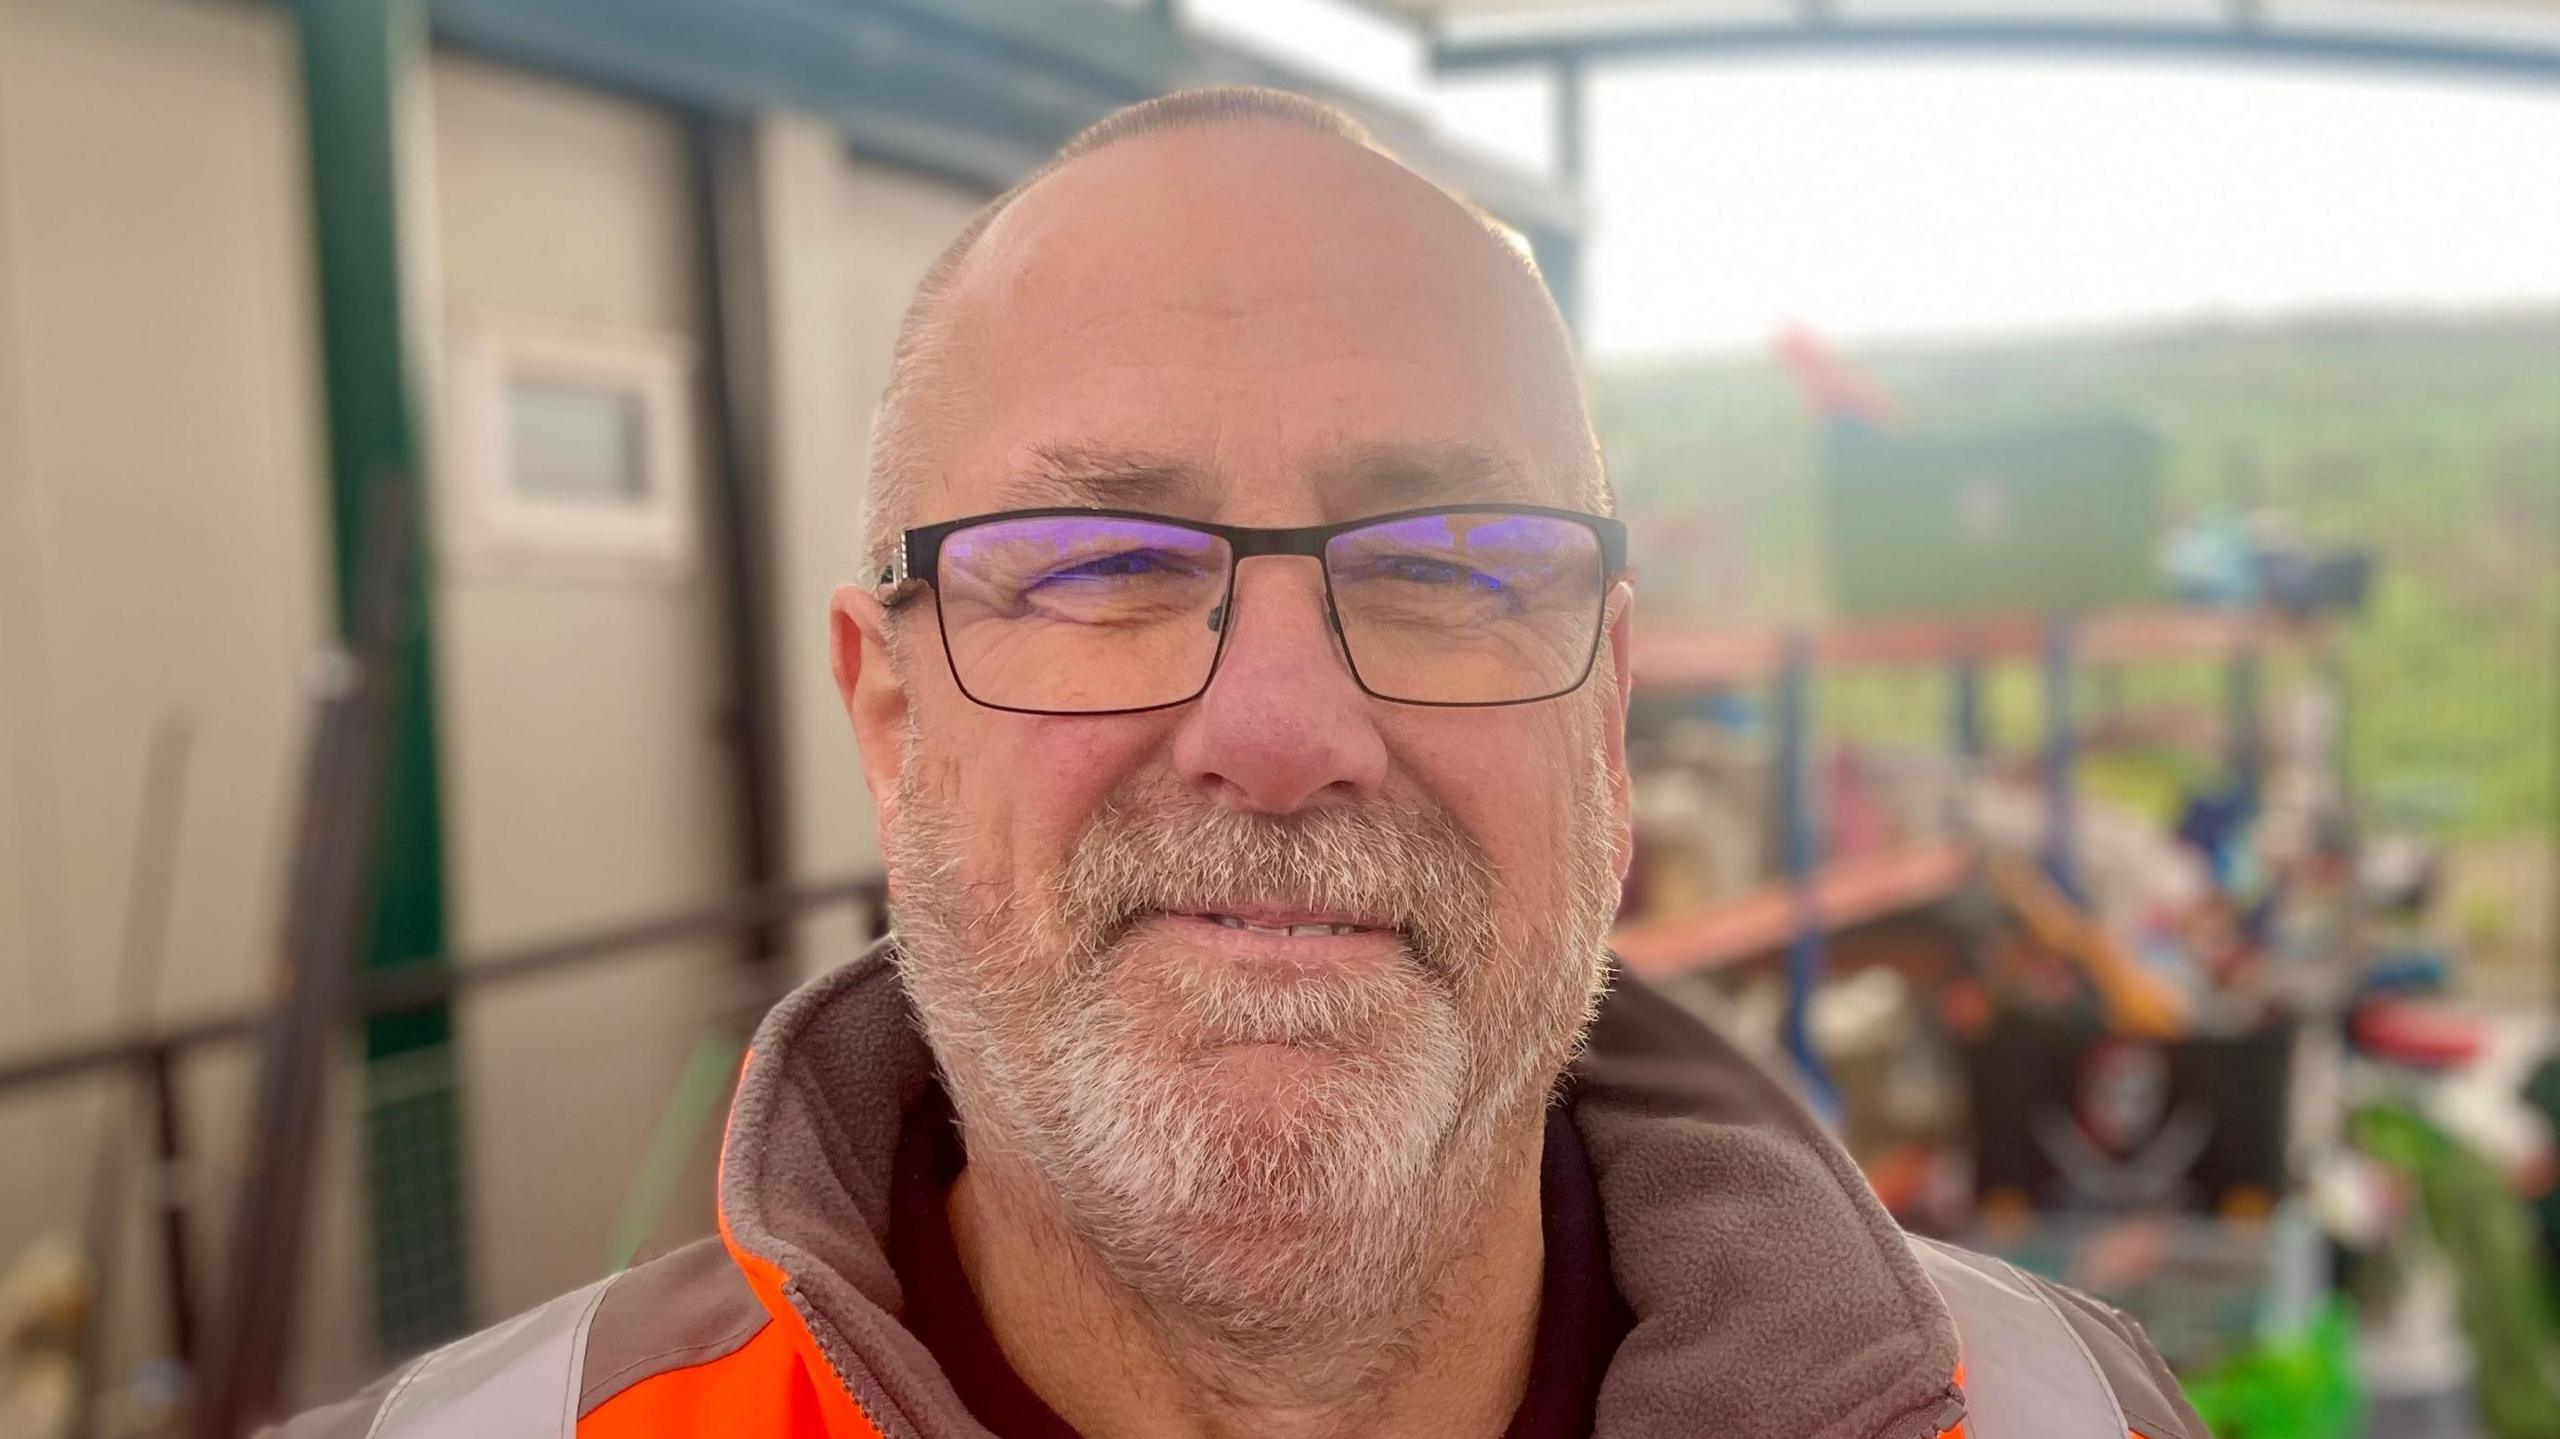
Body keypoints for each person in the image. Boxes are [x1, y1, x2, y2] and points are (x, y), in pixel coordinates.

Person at [274, 86, 2203, 1439]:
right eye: (1104, 566)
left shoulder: (2068, 1418)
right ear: (889, 710)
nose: (1279, 736)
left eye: (1448, 567)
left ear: (1609, 718)